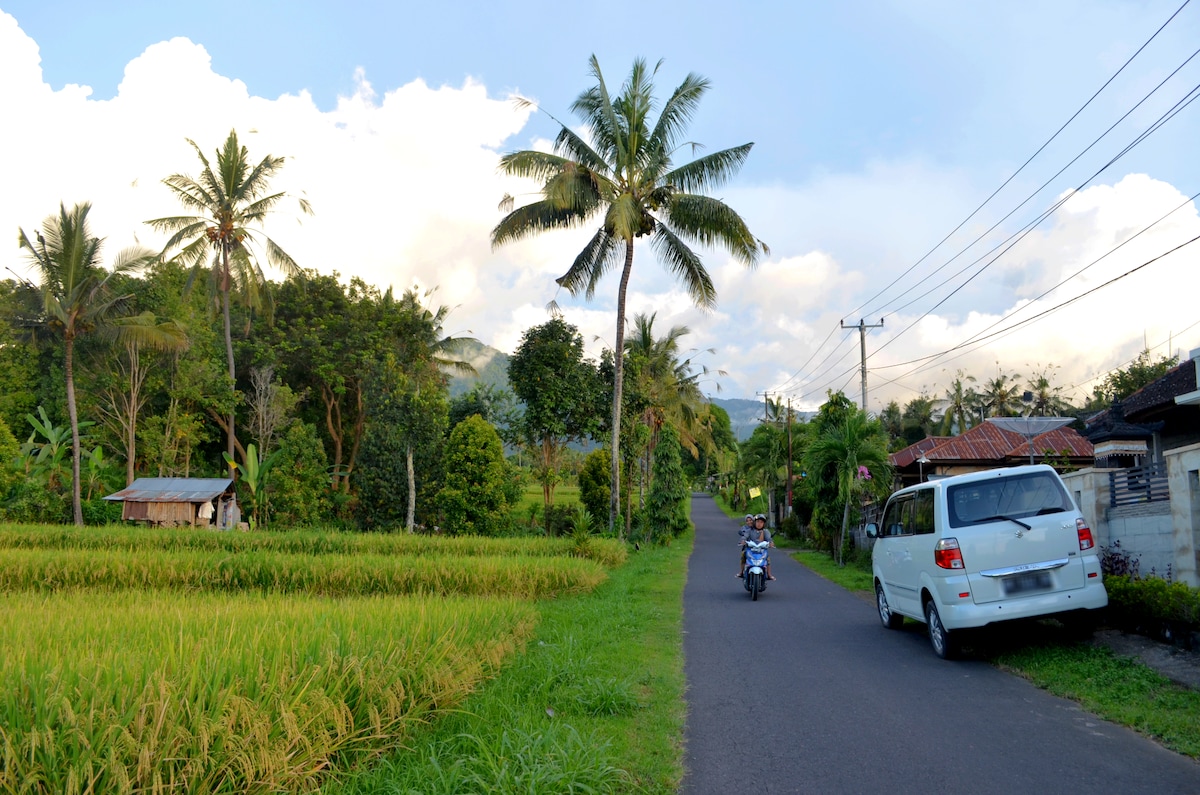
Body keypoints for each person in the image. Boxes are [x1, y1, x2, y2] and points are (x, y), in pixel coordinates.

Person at [740, 514, 776, 581]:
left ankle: (769, 574)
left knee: (767, 559)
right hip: (751, 550)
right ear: (755, 522)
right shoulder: (750, 530)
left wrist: (771, 543)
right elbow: (745, 536)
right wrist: (743, 541)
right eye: (758, 522)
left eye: (761, 522)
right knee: (743, 556)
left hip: (761, 551)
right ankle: (741, 572)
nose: (759, 524)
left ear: (764, 524)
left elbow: (769, 539)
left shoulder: (765, 531)